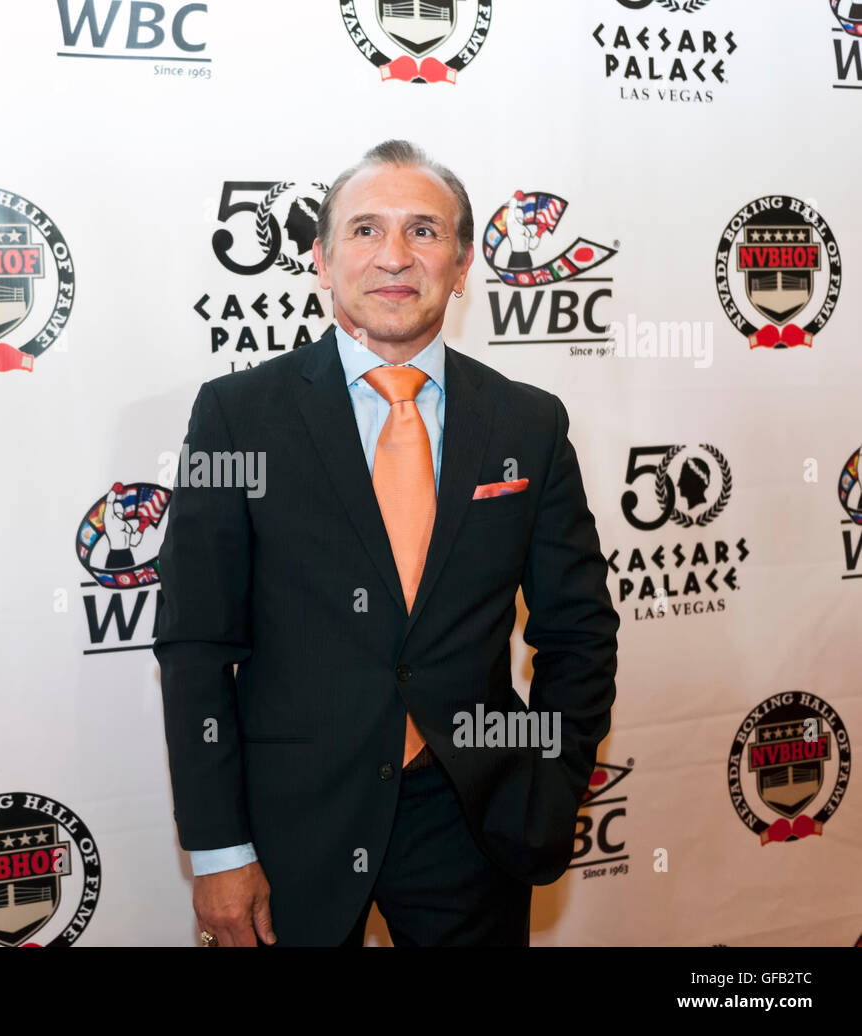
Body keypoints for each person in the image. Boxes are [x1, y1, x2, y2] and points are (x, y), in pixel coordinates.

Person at [154, 140, 619, 947]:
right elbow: (196, 645)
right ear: (322, 263)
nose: (395, 256)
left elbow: (577, 633)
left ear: (465, 262)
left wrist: (546, 785)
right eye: (365, 231)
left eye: (425, 232)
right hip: (290, 825)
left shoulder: (528, 422)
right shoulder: (238, 417)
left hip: (473, 818)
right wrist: (220, 850)